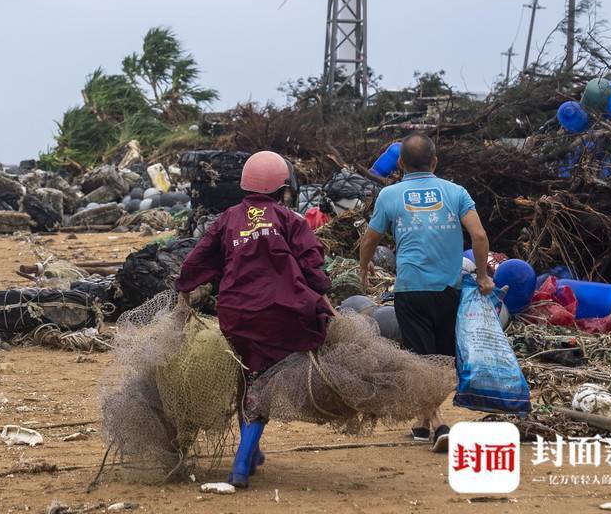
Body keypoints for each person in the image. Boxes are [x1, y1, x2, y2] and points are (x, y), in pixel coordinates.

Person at [175, 150, 334, 488]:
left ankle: (253, 452)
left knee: (249, 379)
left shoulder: (227, 219)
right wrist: (324, 296)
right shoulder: (291, 219)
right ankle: (241, 465)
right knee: (262, 385)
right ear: (283, 187)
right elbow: (312, 265)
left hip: (236, 315)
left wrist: (184, 291)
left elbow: (197, 259)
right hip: (283, 314)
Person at [358, 133, 493, 453]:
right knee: (442, 361)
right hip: (449, 290)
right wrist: (484, 276)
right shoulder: (456, 192)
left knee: (422, 360)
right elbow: (479, 235)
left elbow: (369, 240)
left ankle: (437, 424)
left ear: (400, 164)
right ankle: (425, 424)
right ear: (434, 162)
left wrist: (364, 268)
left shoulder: (390, 195)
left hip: (411, 291)